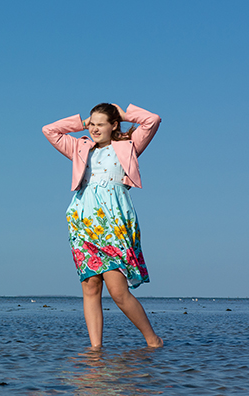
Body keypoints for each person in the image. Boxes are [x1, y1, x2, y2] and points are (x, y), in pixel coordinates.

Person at [42, 103, 164, 348]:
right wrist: (82, 123)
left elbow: (153, 120)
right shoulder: (79, 147)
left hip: (114, 224)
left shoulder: (128, 146)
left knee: (118, 291)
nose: (94, 129)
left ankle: (152, 340)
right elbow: (49, 130)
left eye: (100, 124)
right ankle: (95, 350)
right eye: (92, 124)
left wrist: (126, 114)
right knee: (90, 286)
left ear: (114, 125)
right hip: (83, 222)